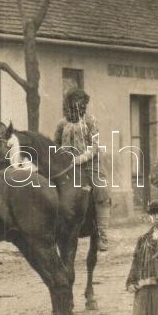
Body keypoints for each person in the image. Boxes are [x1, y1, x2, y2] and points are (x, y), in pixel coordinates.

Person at [54, 88, 111, 251]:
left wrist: (80, 159)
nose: (77, 106)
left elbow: (94, 146)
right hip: (66, 166)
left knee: (101, 190)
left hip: (89, 165)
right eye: (73, 103)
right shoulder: (62, 123)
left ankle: (102, 233)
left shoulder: (90, 121)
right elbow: (55, 143)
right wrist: (60, 158)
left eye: (80, 103)